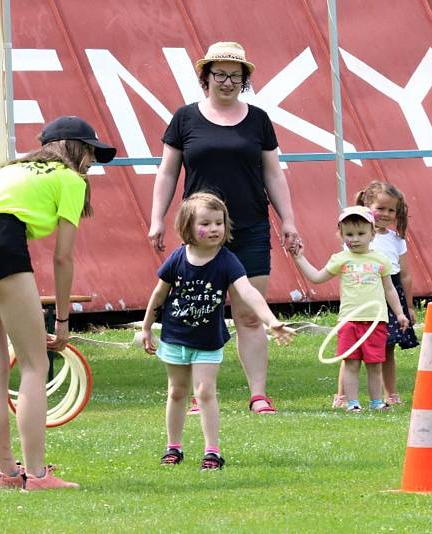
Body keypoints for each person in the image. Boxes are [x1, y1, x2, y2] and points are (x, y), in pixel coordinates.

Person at [0, 115, 117, 490]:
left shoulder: (11, 170)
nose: (93, 161)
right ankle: (38, 475)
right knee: (33, 365)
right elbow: (63, 258)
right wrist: (61, 320)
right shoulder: (71, 179)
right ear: (76, 148)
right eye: (91, 152)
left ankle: (9, 475)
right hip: (0, 246)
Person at [149, 41, 300, 415]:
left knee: (249, 311)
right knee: (200, 311)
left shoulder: (259, 120)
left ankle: (259, 394)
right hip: (200, 231)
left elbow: (273, 173)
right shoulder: (185, 118)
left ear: (244, 80)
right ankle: (201, 395)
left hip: (249, 226)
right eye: (220, 74)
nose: (228, 82)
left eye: (236, 76)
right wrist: (157, 219)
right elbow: (168, 172)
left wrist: (289, 221)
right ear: (206, 78)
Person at [142, 193, 295, 470]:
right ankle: (173, 447)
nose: (214, 229)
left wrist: (271, 321)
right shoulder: (178, 258)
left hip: (207, 341)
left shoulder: (228, 261)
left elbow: (247, 291)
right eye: (206, 223)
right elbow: (159, 294)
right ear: (188, 227)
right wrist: (146, 328)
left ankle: (212, 452)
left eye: (219, 223)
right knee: (177, 391)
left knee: (204, 391)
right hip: (175, 337)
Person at [293, 206, 409, 412]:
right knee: (351, 363)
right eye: (349, 234)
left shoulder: (380, 260)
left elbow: (389, 289)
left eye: (361, 233)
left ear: (372, 234)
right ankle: (352, 402)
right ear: (341, 235)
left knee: (375, 364)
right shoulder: (341, 259)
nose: (354, 239)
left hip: (376, 321)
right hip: (349, 321)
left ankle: (376, 402)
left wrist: (400, 313)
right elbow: (317, 278)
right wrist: (299, 258)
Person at [332, 181, 419, 409]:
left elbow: (406, 275)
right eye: (380, 208)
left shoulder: (396, 240)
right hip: (363, 297)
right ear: (366, 205)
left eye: (392, 210)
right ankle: (342, 395)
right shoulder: (354, 238)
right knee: (351, 351)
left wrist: (408, 306)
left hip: (390, 295)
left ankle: (390, 394)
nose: (386, 214)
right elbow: (346, 272)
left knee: (385, 348)